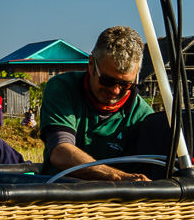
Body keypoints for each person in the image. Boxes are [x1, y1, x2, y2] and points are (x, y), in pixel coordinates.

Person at [39, 27, 155, 181]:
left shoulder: (143, 115)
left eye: (125, 84)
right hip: (61, 196)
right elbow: (60, 152)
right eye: (107, 81)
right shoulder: (63, 88)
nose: (115, 91)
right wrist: (118, 178)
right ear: (91, 64)